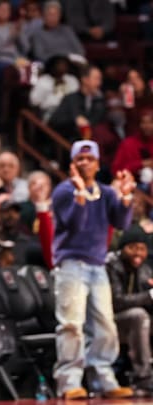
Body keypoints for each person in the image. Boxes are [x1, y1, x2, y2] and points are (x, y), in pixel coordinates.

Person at [51, 140, 134, 399]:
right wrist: (79, 195)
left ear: (98, 164)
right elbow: (74, 224)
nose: (84, 162)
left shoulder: (107, 192)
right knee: (72, 324)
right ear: (72, 164)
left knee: (106, 325)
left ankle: (104, 378)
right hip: (71, 264)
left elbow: (121, 223)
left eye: (89, 159)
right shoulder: (63, 191)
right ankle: (69, 381)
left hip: (98, 265)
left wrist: (126, 197)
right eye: (80, 159)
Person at [105, 225, 153, 394]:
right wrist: (149, 296)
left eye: (142, 249)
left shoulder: (145, 269)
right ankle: (143, 377)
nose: (137, 253)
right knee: (139, 316)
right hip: (109, 319)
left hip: (135, 320)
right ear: (122, 248)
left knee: (141, 316)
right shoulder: (110, 265)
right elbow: (116, 302)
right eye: (132, 248)